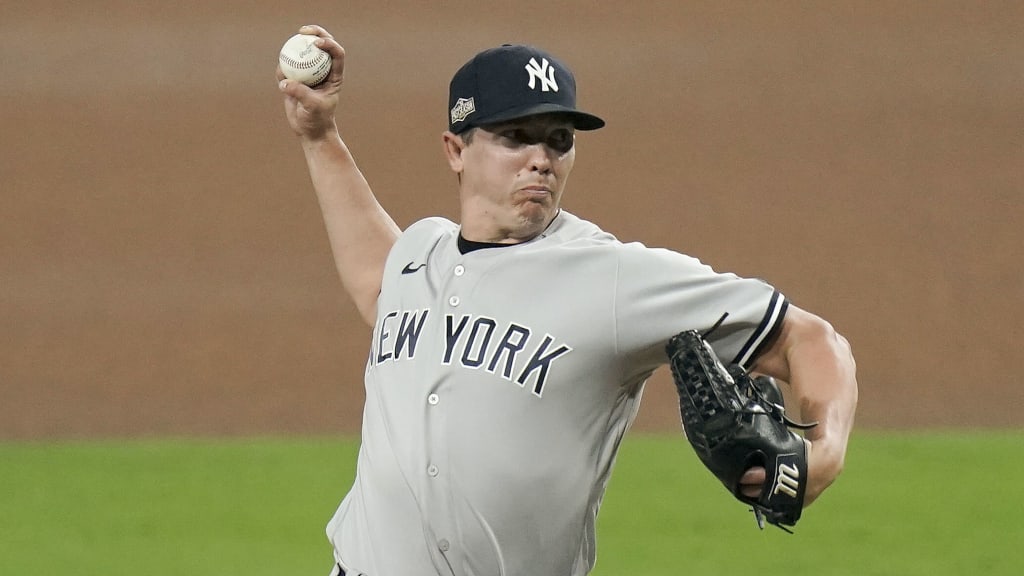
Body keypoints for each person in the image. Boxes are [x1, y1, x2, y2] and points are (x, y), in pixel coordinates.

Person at [277, 24, 858, 576]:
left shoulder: (613, 277)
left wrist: (823, 454)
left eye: (558, 140)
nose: (541, 158)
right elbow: (380, 283)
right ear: (456, 149)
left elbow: (809, 338)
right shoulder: (418, 254)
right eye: (516, 136)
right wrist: (319, 135)